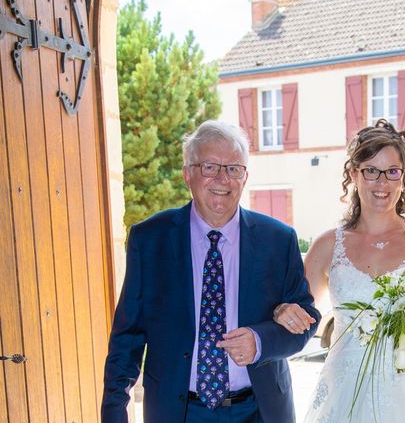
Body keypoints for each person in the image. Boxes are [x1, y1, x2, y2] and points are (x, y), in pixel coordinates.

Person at [101, 120, 321, 423]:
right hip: (179, 412)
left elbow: (306, 320)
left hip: (258, 411)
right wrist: (114, 412)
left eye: (233, 168)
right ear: (187, 174)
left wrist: (260, 341)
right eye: (209, 167)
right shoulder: (151, 239)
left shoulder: (277, 240)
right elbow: (127, 338)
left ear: (245, 178)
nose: (222, 178)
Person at [274, 119, 405, 422]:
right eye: (371, 171)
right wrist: (281, 311)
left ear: (403, 177)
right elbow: (300, 312)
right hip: (345, 388)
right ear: (354, 174)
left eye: (392, 172)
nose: (382, 183)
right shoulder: (327, 245)